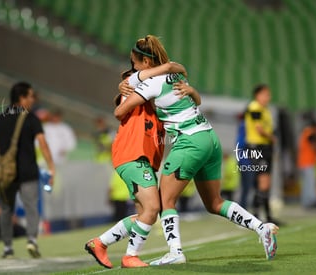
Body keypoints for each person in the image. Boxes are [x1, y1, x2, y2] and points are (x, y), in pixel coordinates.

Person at [114, 35, 278, 265]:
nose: (133, 68)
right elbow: (196, 98)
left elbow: (120, 112)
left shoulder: (150, 83)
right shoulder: (178, 75)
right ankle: (262, 228)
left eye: (135, 63)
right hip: (210, 139)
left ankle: (175, 252)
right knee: (214, 203)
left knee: (165, 199)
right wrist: (189, 90)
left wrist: (127, 90)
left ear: (146, 63)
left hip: (190, 141)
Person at [84, 62, 188, 268]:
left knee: (145, 215)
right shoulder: (132, 97)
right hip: (132, 157)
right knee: (153, 208)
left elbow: (177, 74)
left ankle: (100, 243)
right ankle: (130, 256)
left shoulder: (157, 109)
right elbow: (131, 86)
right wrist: (127, 83)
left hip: (141, 161)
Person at [0, 81, 55, 258]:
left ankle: (7, 248)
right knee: (31, 208)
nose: (32, 100)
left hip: (6, 174)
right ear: (21, 97)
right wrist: (51, 167)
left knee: (5, 209)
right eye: (30, 96)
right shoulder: (31, 118)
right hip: (28, 172)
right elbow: (43, 143)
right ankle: (31, 241)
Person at [244, 84, 277, 223]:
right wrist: (272, 138)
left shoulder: (265, 110)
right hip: (257, 147)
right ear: (257, 95)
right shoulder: (254, 107)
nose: (267, 97)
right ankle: (260, 216)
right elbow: (258, 128)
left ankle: (263, 216)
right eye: (265, 94)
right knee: (263, 182)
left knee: (264, 182)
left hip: (265, 147)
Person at [297, 120, 316, 209]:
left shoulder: (305, 132)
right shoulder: (310, 132)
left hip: (304, 162)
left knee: (306, 183)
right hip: (308, 162)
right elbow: (312, 142)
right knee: (310, 182)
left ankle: (306, 202)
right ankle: (312, 201)